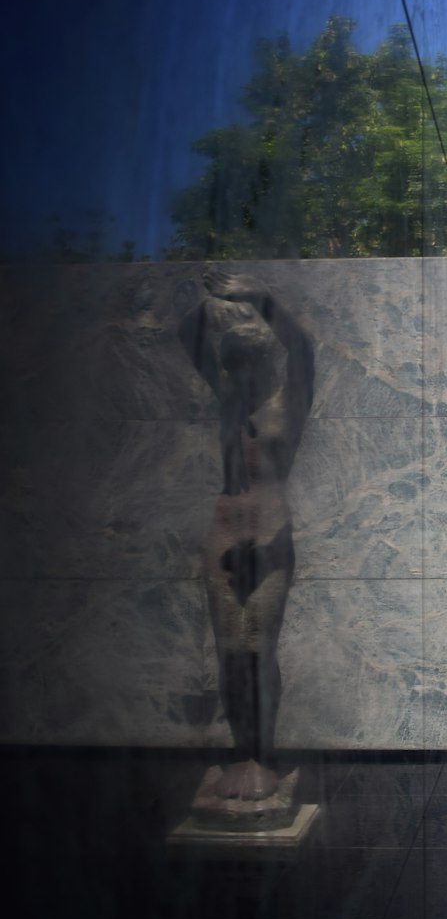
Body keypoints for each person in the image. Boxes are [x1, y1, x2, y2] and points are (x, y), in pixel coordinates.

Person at [179, 269, 314, 803]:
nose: (234, 373)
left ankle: (263, 754)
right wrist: (208, 302)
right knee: (228, 654)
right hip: (221, 542)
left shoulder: (288, 405)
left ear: (264, 361)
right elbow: (185, 336)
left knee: (258, 651)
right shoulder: (228, 402)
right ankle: (240, 754)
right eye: (228, 364)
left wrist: (260, 296)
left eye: (243, 362)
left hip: (270, 542)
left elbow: (303, 345)